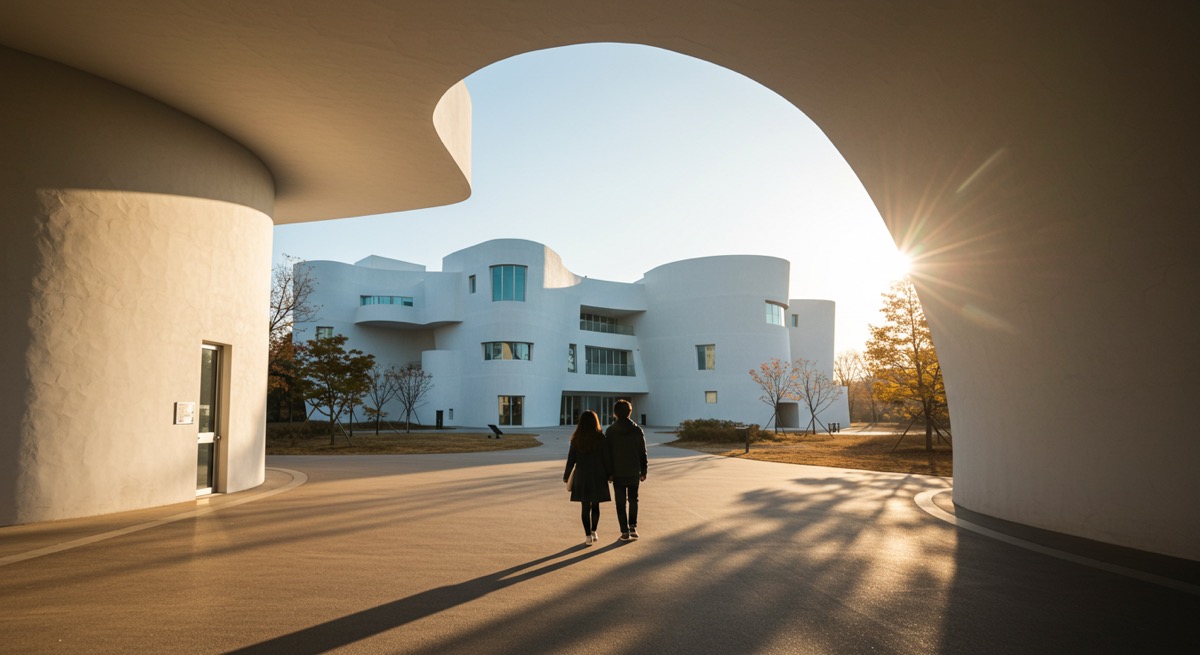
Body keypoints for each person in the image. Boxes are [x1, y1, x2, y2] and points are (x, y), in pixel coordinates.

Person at [563, 410, 611, 545]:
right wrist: (610, 474)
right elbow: (606, 458)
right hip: (598, 474)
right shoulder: (601, 438)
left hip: (581, 475)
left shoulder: (576, 439)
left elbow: (571, 460)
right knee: (595, 505)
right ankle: (594, 530)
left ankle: (587, 536)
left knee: (585, 506)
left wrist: (566, 476)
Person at [603, 400, 647, 541]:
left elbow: (607, 454)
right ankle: (633, 527)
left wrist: (609, 473)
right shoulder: (637, 430)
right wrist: (644, 470)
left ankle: (624, 531)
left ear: (615, 413)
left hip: (617, 473)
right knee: (634, 499)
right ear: (630, 412)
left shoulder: (610, 431)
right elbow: (642, 452)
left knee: (620, 503)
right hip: (634, 471)